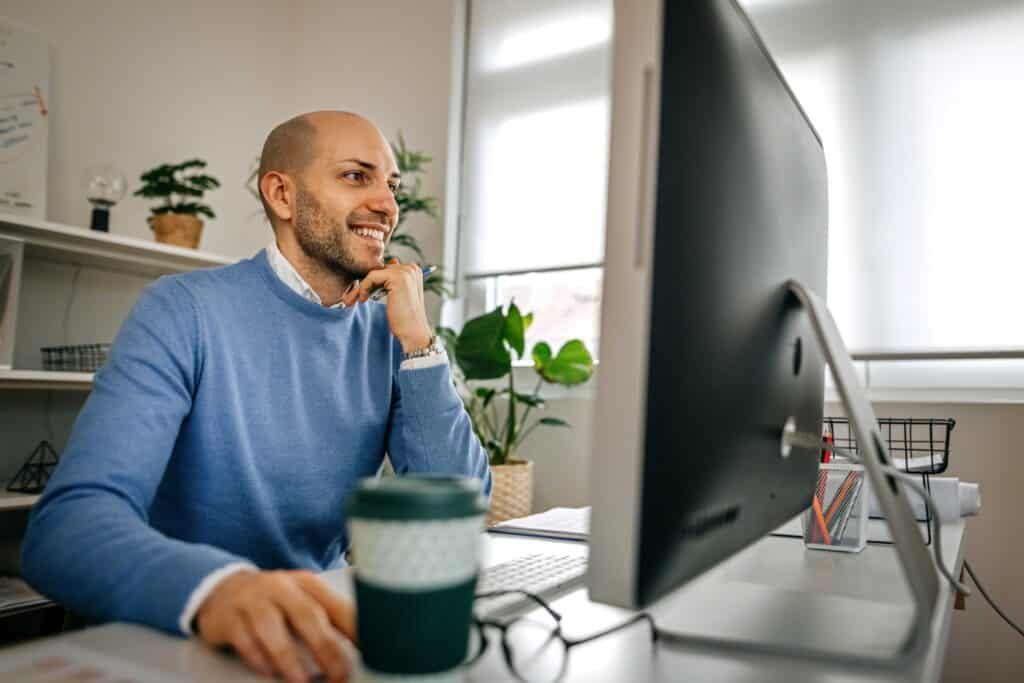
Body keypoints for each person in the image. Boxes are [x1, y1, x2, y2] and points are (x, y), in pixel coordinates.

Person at [21, 111, 492, 683]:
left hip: (311, 644)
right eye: (355, 176)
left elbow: (460, 505)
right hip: (174, 641)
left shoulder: (389, 333)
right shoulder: (182, 310)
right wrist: (219, 589)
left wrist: (420, 344)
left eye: (391, 186)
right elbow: (66, 531)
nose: (387, 206)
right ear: (282, 195)